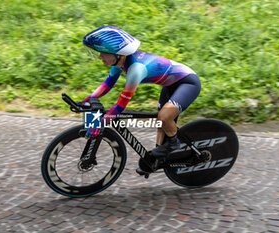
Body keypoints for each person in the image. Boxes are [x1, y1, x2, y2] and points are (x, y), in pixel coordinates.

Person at [82, 26, 201, 163]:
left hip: (188, 84)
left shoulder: (136, 69)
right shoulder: (119, 62)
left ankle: (174, 143)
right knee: (160, 122)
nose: (100, 56)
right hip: (170, 85)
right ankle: (157, 161)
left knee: (164, 117)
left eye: (102, 52)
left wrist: (99, 124)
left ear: (117, 53)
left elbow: (120, 105)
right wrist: (86, 100)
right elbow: (107, 85)